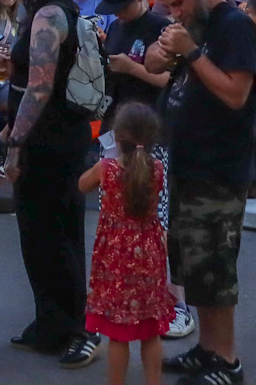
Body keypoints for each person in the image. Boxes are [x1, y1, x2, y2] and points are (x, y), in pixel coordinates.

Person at [144, 0, 256, 385]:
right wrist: (163, 50)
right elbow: (155, 66)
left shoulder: (233, 25)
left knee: (215, 267)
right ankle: (207, 350)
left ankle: (228, 361)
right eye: (167, 7)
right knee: (192, 267)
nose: (174, 12)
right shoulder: (190, 24)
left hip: (219, 166)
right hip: (185, 160)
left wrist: (190, 52)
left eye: (177, 3)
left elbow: (235, 95)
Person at [0, 0, 97, 366]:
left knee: (50, 236)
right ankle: (53, 323)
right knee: (51, 234)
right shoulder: (48, 10)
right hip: (60, 136)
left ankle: (75, 328)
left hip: (49, 139)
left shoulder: (49, 15)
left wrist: (16, 142)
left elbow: (38, 88)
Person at [77, 103, 170, 385]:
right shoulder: (157, 169)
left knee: (118, 333)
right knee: (150, 330)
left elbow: (82, 185)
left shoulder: (105, 169)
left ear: (117, 137)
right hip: (149, 254)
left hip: (116, 258)